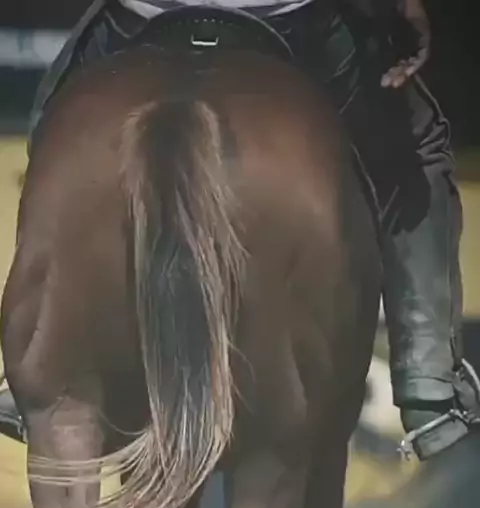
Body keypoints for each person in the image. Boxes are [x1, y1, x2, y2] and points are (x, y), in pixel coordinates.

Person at [0, 0, 478, 460]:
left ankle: (42, 359)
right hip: (295, 22)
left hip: (141, 17)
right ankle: (428, 380)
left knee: (54, 132)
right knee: (416, 147)